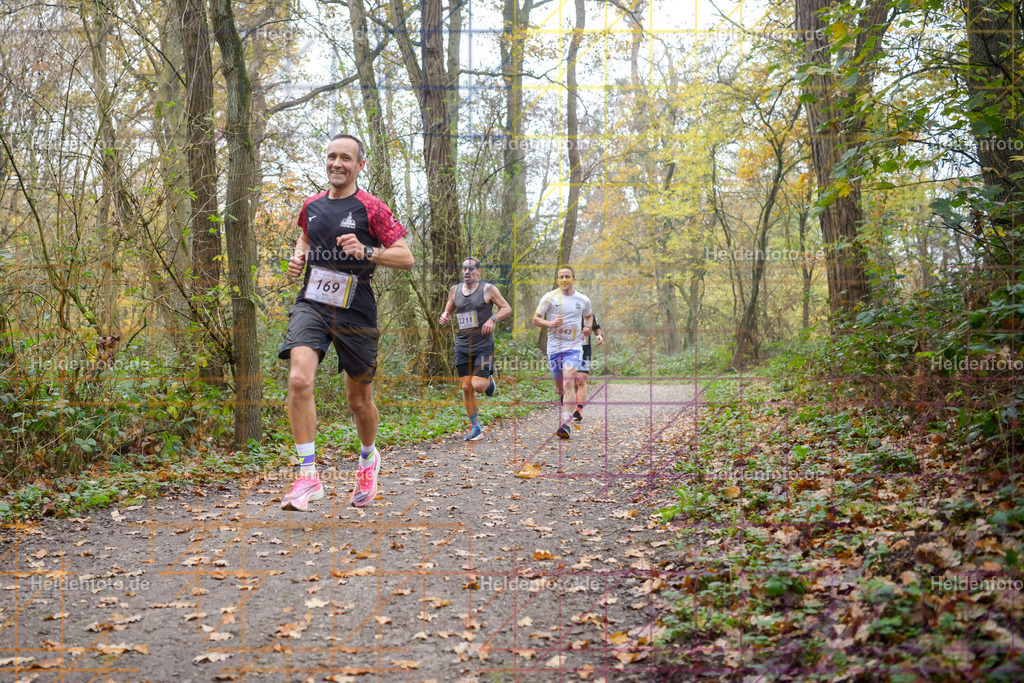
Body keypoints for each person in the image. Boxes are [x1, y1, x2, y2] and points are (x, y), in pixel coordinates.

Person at [278, 133, 414, 512]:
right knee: (299, 379)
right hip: (313, 302)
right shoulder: (311, 205)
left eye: (346, 158)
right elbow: (305, 239)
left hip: (357, 307)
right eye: (332, 156)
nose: (337, 163)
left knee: (359, 401)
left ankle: (368, 459)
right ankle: (308, 475)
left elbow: (406, 258)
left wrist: (367, 250)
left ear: (360, 165)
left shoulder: (372, 207)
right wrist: (298, 257)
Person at [438, 258, 512, 441]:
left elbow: (506, 308)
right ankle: (475, 427)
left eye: (471, 269)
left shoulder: (488, 289)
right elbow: (449, 309)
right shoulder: (455, 290)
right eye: (464, 268)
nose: (466, 272)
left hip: (483, 346)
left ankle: (489, 382)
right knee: (466, 386)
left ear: (479, 271)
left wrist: (492, 319)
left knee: (478, 386)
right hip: (462, 345)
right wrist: (445, 315)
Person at [532, 266, 593, 440]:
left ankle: (566, 424)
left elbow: (588, 316)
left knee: (568, 380)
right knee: (560, 388)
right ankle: (566, 403)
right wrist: (551, 324)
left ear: (574, 279)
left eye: (568, 276)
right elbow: (535, 319)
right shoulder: (549, 297)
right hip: (554, 348)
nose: (565, 279)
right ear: (558, 280)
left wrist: (587, 328)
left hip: (574, 347)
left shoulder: (583, 299)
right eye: (561, 277)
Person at [573, 314, 603, 422]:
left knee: (581, 380)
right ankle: (572, 405)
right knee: (572, 382)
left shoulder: (589, 316)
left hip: (585, 350)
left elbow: (596, 327)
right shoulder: (567, 312)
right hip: (569, 349)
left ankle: (579, 409)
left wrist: (599, 335)